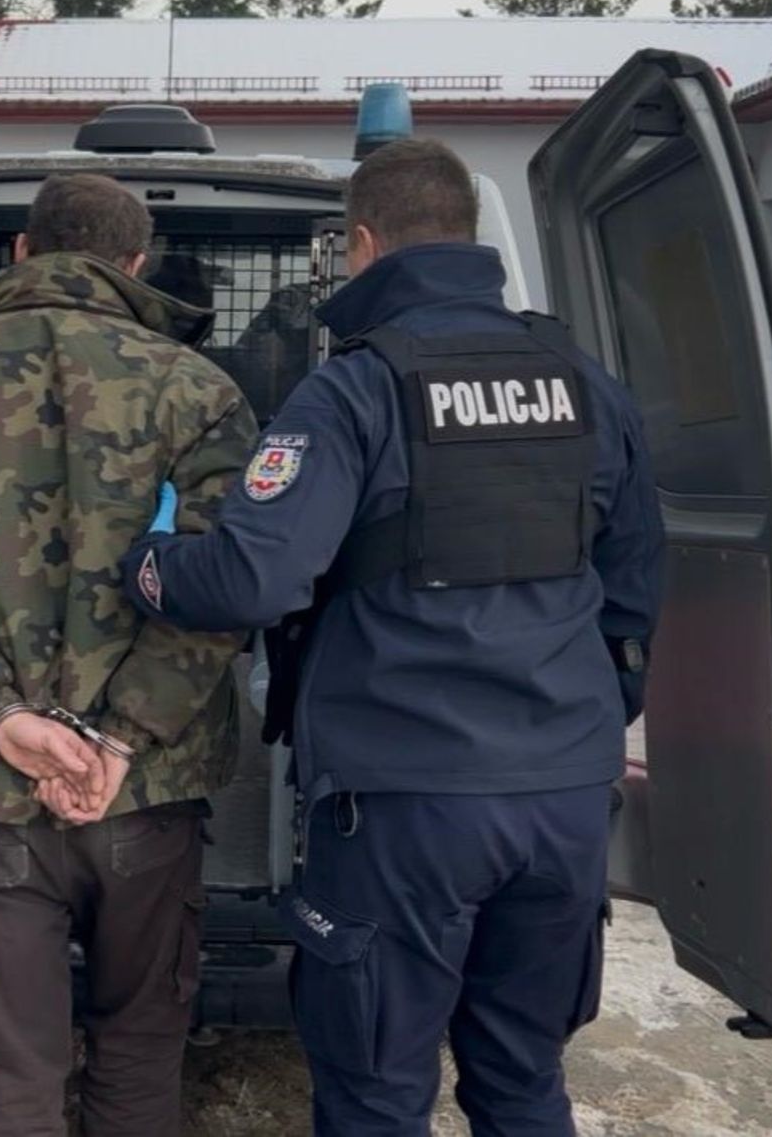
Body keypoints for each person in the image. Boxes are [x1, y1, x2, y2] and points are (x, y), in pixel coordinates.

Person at [121, 140, 665, 1136]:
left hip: (407, 806)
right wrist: (570, 725)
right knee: (524, 1076)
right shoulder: (587, 385)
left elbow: (252, 575)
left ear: (362, 242)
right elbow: (633, 593)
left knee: (376, 1092)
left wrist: (149, 561)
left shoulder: (356, 392)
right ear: (466, 238)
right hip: (563, 799)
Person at [0, 173, 259, 1137]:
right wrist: (120, 736)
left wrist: (1, 716)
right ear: (137, 265)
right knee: (142, 1052)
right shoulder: (200, 389)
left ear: (21, 252)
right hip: (142, 793)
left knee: (5, 1077)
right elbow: (225, 590)